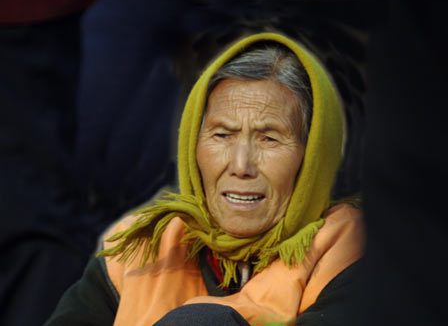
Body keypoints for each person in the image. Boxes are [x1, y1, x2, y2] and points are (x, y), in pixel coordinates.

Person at [44, 32, 364, 326]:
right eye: (222, 135)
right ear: (192, 146)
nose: (241, 166)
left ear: (313, 156)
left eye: (269, 139)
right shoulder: (141, 246)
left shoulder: (348, 248)